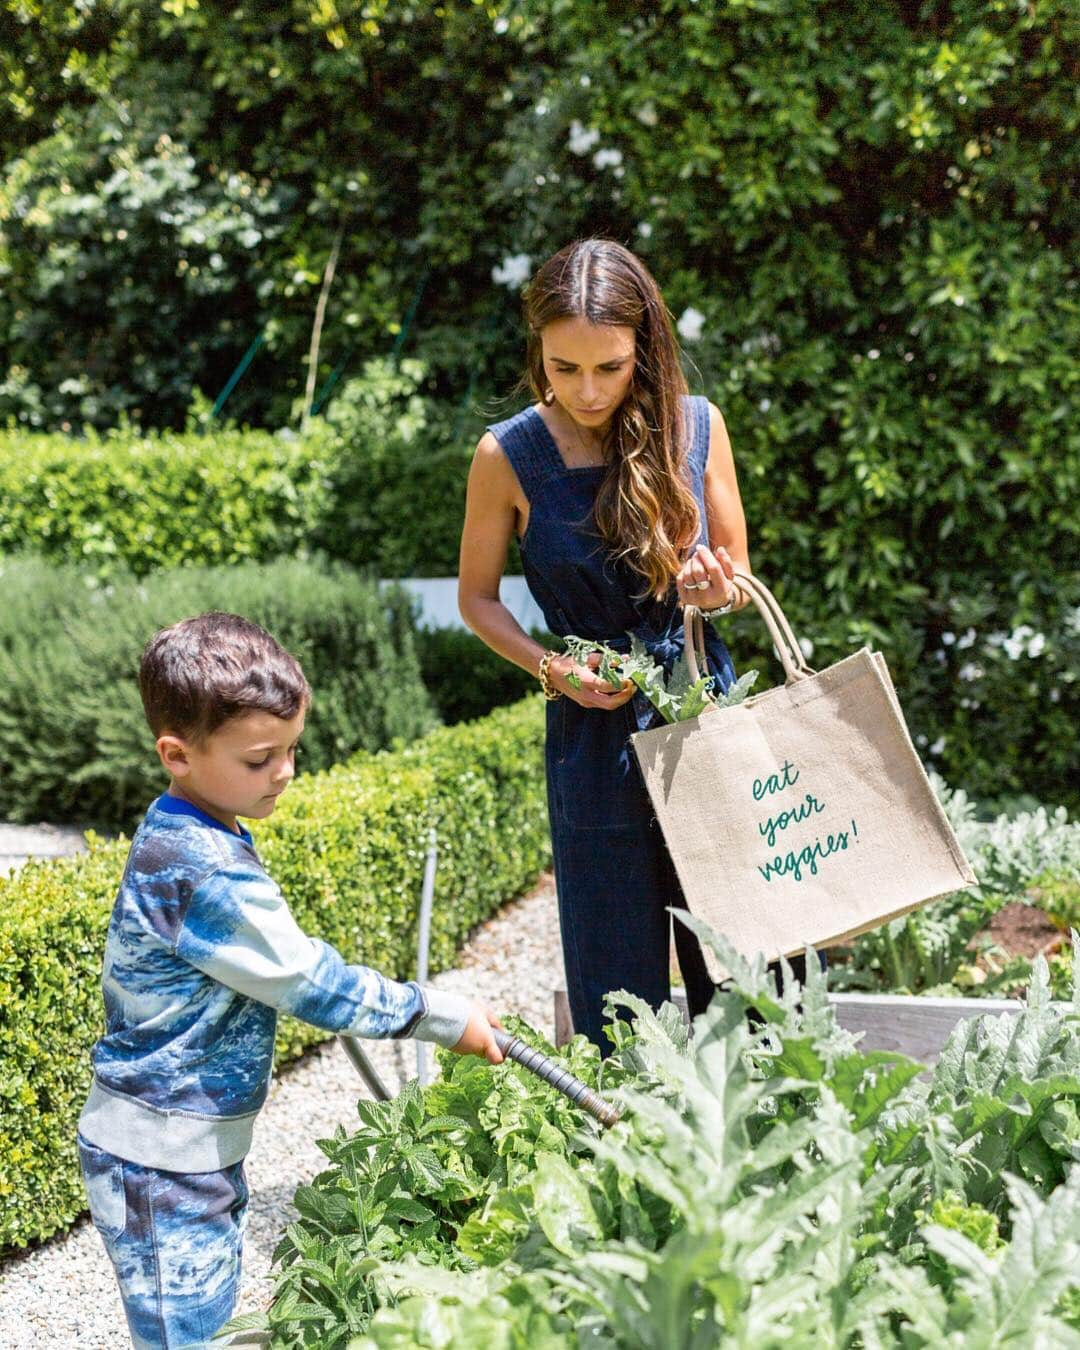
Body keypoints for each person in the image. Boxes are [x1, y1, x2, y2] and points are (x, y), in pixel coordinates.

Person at [77, 611, 503, 1349]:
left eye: (292, 750)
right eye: (259, 759)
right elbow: (312, 982)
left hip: (186, 1152)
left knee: (203, 1325)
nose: (285, 773)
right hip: (160, 1159)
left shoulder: (196, 827)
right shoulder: (199, 868)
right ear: (176, 755)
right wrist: (442, 1015)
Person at [459, 237, 825, 1053]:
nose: (586, 390)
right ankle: (627, 1148)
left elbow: (734, 576)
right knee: (615, 968)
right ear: (538, 355)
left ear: (645, 349)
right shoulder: (505, 456)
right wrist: (552, 667)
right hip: (592, 730)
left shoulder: (696, 428)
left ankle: (773, 1131)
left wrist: (709, 587)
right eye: (564, 368)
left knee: (748, 951)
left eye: (610, 367)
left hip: (704, 709)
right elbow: (477, 601)